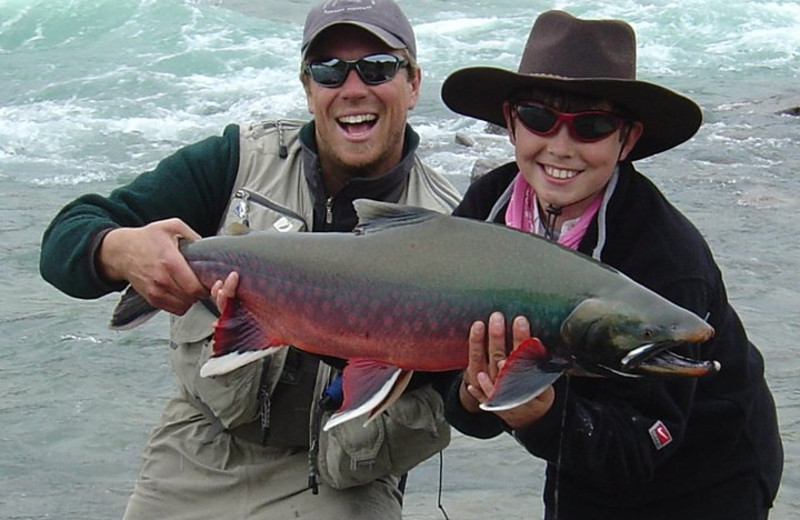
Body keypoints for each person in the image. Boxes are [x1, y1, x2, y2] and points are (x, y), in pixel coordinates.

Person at [39, 1, 459, 518]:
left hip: (348, 477)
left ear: (414, 84)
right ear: (308, 89)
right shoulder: (237, 159)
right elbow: (64, 241)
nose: (353, 88)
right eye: (329, 70)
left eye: (377, 68)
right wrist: (117, 250)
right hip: (201, 451)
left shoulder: (453, 227)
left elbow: (467, 400)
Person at [439, 10, 783, 520]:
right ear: (510, 122)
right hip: (580, 460)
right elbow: (463, 395)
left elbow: (637, 449)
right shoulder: (487, 209)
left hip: (710, 477)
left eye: (592, 127)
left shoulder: (668, 258)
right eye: (538, 118)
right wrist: (475, 398)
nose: (560, 146)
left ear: (628, 139)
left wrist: (546, 417)